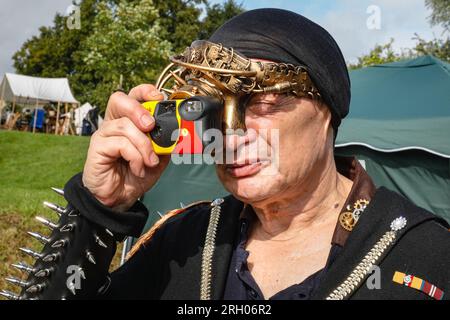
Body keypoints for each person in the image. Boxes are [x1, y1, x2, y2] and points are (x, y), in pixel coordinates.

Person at [4, 8, 449, 301]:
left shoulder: (424, 254)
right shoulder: (183, 243)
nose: (230, 133)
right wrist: (98, 210)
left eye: (262, 101)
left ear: (327, 111)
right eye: (212, 107)